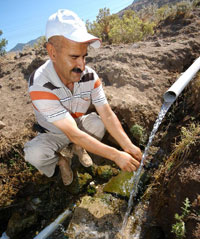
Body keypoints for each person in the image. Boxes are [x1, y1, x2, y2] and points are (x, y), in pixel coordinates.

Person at [24, 9, 142, 185]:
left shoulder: (89, 76)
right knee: (34, 154)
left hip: (78, 126)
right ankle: (61, 161)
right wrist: (116, 155)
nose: (82, 65)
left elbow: (107, 114)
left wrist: (128, 146)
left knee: (98, 123)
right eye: (74, 57)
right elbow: (72, 133)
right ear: (52, 52)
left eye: (84, 56)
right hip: (54, 133)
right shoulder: (40, 83)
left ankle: (79, 149)